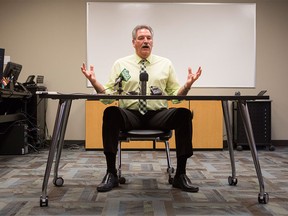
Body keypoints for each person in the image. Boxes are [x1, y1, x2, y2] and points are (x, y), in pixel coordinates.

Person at [81, 25, 202, 193]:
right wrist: (94, 82)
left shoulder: (165, 64)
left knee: (184, 114)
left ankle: (180, 175)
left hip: (158, 115)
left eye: (148, 38)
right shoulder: (121, 64)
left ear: (152, 42)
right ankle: (111, 173)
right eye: (141, 38)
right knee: (110, 112)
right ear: (133, 42)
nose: (145, 41)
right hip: (130, 115)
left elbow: (175, 97)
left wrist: (187, 86)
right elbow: (107, 98)